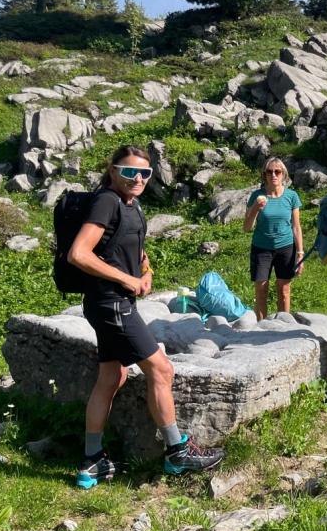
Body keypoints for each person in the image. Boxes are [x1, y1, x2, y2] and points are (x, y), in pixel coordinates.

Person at [69, 145, 223, 488]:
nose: (138, 178)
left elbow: (132, 247)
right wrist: (126, 279)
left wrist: (145, 269)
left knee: (112, 375)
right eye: (129, 172)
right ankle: (177, 452)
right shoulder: (107, 201)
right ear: (113, 171)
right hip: (112, 303)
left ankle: (93, 461)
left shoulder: (130, 204)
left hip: (110, 302)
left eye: (145, 173)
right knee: (161, 369)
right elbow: (79, 253)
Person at [243, 157, 303, 320]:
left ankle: (284, 326)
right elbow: (246, 228)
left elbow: (296, 227)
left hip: (286, 248)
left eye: (277, 171)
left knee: (284, 290)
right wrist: (255, 209)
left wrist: (300, 253)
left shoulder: (291, 196)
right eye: (269, 172)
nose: (273, 175)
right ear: (264, 175)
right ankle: (262, 327)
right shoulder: (257, 196)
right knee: (261, 289)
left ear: (284, 174)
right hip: (261, 248)